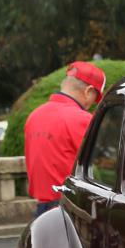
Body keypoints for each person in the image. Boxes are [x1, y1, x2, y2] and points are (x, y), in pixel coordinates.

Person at [24, 61, 105, 216]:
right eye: (94, 98)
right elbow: (102, 162)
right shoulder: (81, 119)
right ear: (88, 91)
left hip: (41, 206)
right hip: (69, 205)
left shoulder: (34, 116)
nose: (92, 105)